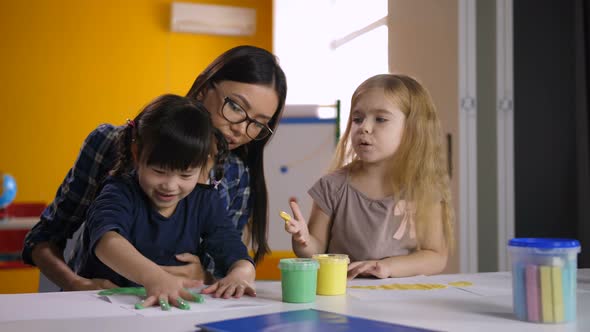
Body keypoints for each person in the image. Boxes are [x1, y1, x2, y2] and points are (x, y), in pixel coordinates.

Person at [22, 45, 287, 291]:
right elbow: (51, 237)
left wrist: (207, 276)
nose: (241, 129)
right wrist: (75, 284)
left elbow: (226, 254)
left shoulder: (234, 177)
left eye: (258, 123)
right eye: (236, 107)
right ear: (204, 88)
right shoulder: (113, 152)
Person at [77, 94, 255, 309]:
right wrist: (154, 276)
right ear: (137, 154)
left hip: (168, 311)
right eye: (159, 171)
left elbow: (233, 250)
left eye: (186, 175)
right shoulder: (119, 190)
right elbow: (106, 242)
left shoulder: (205, 200)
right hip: (106, 307)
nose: (170, 185)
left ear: (204, 164)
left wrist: (242, 272)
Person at [283, 74, 454, 279]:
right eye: (357, 119)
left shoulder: (424, 190)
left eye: (380, 119)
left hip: (405, 300)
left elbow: (435, 256)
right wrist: (303, 241)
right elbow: (316, 251)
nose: (364, 127)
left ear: (412, 129)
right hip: (345, 297)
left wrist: (386, 267)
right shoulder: (331, 187)